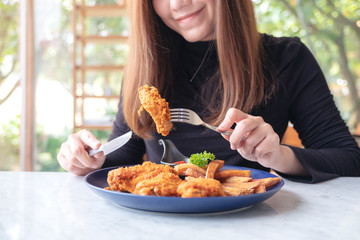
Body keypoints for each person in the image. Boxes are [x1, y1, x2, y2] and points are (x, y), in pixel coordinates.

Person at [57, 0, 360, 183]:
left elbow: (349, 161)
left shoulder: (287, 58)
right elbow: (123, 157)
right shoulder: (147, 67)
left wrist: (278, 156)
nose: (177, 4)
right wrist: (86, 158)